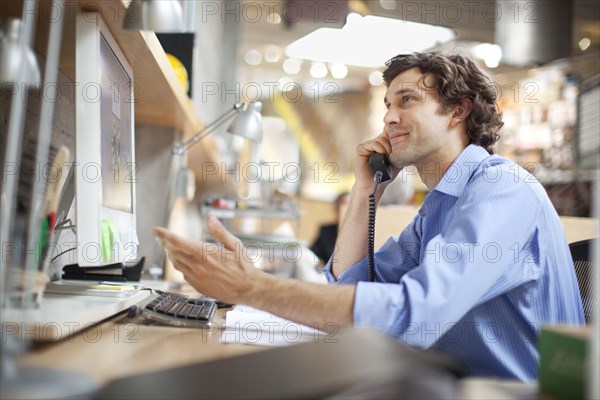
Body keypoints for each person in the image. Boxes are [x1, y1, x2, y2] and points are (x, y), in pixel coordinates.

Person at [154, 52, 584, 381]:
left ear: (458, 110)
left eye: (407, 100)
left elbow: (415, 316)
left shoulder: (502, 189)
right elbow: (347, 287)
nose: (388, 117)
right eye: (387, 104)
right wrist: (364, 190)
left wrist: (253, 288)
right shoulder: (437, 206)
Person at [310, 192, 350, 265]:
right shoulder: (326, 230)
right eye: (341, 206)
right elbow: (313, 253)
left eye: (348, 207)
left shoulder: (364, 234)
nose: (344, 210)